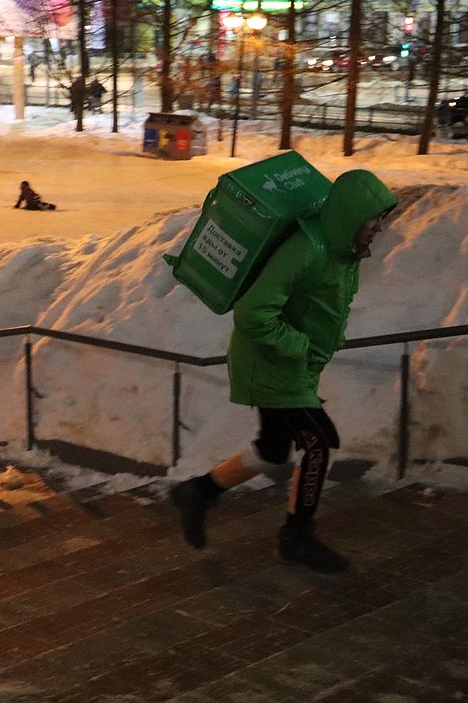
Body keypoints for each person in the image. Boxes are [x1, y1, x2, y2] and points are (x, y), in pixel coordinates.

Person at [169, 169, 398, 575]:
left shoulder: (344, 252)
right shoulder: (306, 250)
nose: (379, 226)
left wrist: (324, 345)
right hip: (271, 362)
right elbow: (254, 311)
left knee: (274, 448)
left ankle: (198, 491)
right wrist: (299, 347)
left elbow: (326, 305)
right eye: (374, 217)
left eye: (383, 217)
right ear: (351, 214)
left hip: (295, 366)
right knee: (319, 443)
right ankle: (297, 537)